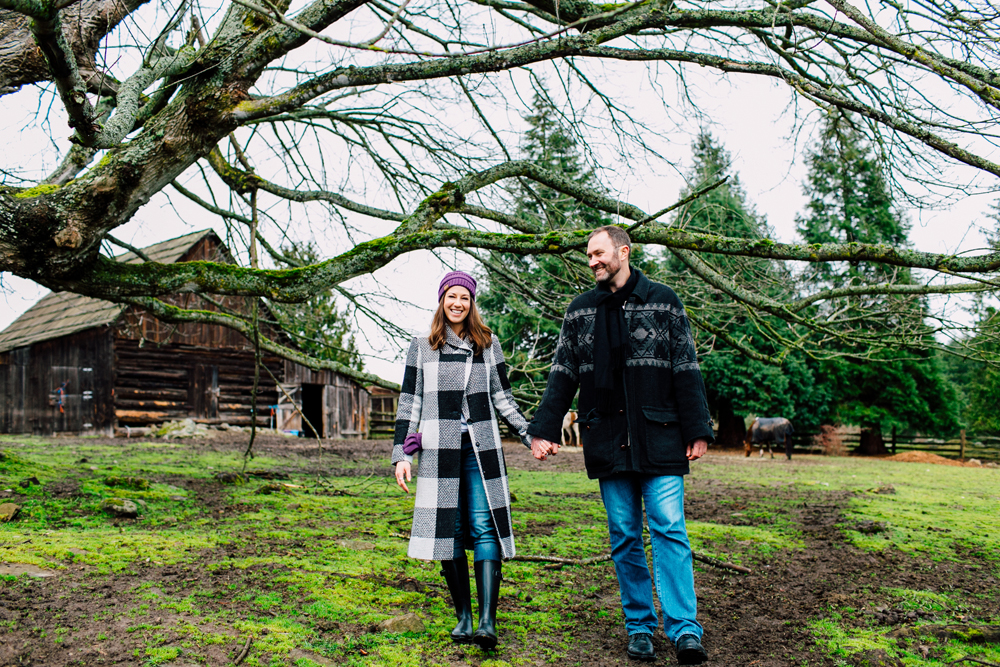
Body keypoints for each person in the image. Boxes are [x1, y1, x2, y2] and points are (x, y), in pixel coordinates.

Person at [528, 226, 713, 665]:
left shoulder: (664, 301)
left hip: (661, 436)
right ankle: (639, 627)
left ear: (623, 252)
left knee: (669, 528)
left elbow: (686, 367)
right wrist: (544, 429)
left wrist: (697, 427)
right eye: (588, 255)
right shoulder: (580, 312)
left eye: (599, 253)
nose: (592, 261)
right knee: (625, 535)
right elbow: (563, 376)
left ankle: (685, 629)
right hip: (607, 439)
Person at [392, 271, 532, 650]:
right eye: (452, 296)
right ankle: (464, 617)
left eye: (465, 298)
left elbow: (504, 399)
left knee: (486, 527)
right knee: (448, 530)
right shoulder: (422, 346)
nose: (458, 303)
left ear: (472, 304)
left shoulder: (489, 344)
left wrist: (529, 432)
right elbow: (411, 403)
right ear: (442, 301)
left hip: (481, 448)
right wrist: (401, 455)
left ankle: (488, 621)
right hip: (439, 449)